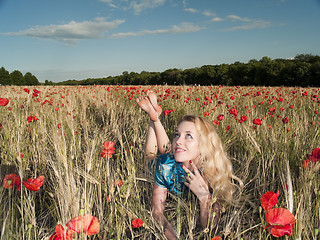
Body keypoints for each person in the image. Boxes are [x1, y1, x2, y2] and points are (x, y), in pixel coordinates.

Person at [136, 90, 243, 240]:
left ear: (203, 144)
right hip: (170, 163)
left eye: (189, 136)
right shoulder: (165, 166)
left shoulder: (212, 173)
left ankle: (155, 117)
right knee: (151, 157)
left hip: (180, 159)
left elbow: (210, 230)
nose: (178, 139)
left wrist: (204, 197)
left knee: (172, 150)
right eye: (177, 134)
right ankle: (153, 118)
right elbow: (157, 212)